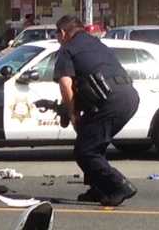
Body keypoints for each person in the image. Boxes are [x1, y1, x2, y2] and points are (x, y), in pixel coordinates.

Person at [53, 15, 139, 207]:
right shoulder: (96, 44)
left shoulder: (67, 50)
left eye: (57, 34)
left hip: (109, 101)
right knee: (94, 143)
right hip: (129, 96)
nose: (57, 38)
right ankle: (99, 188)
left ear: (63, 33)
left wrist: (73, 113)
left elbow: (66, 84)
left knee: (86, 150)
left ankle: (119, 186)